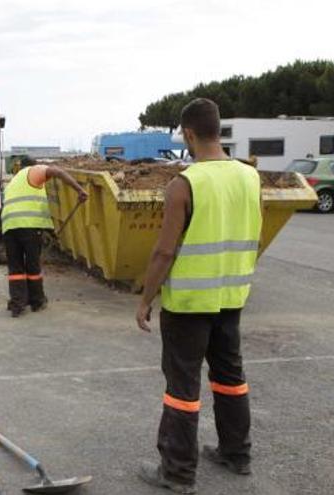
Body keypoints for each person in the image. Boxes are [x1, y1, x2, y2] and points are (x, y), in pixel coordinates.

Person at [135, 98, 262, 493]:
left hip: (189, 306)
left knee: (183, 387)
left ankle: (177, 472)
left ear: (188, 134)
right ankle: (236, 453)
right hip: (231, 297)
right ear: (217, 129)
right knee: (230, 378)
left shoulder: (185, 183)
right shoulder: (249, 177)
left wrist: (144, 300)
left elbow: (164, 251)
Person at [1, 158, 88, 317]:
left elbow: (24, 203)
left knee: (16, 269)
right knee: (33, 266)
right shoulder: (34, 171)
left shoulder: (13, 181)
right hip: (29, 225)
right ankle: (37, 301)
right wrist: (79, 190)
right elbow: (58, 171)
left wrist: (49, 230)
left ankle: (17, 304)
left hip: (8, 226)